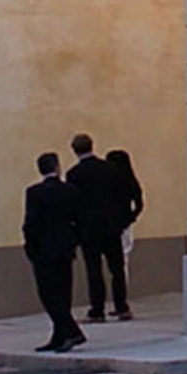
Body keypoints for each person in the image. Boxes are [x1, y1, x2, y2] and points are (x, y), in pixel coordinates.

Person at [22, 151, 87, 352]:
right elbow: (80, 220)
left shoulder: (34, 192)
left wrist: (30, 247)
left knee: (48, 294)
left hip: (43, 250)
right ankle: (60, 335)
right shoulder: (70, 191)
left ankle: (72, 332)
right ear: (57, 167)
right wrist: (74, 240)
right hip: (64, 249)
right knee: (63, 292)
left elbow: (30, 223)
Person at [88, 147, 142, 321]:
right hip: (119, 227)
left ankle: (102, 307)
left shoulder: (110, 181)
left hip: (110, 227)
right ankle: (121, 304)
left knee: (105, 268)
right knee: (119, 267)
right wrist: (129, 219)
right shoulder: (129, 181)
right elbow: (139, 203)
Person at [64, 133, 108, 319]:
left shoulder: (74, 174)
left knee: (94, 269)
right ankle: (121, 305)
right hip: (109, 225)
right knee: (116, 266)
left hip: (88, 228)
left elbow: (73, 203)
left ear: (74, 150)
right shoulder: (107, 169)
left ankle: (97, 308)